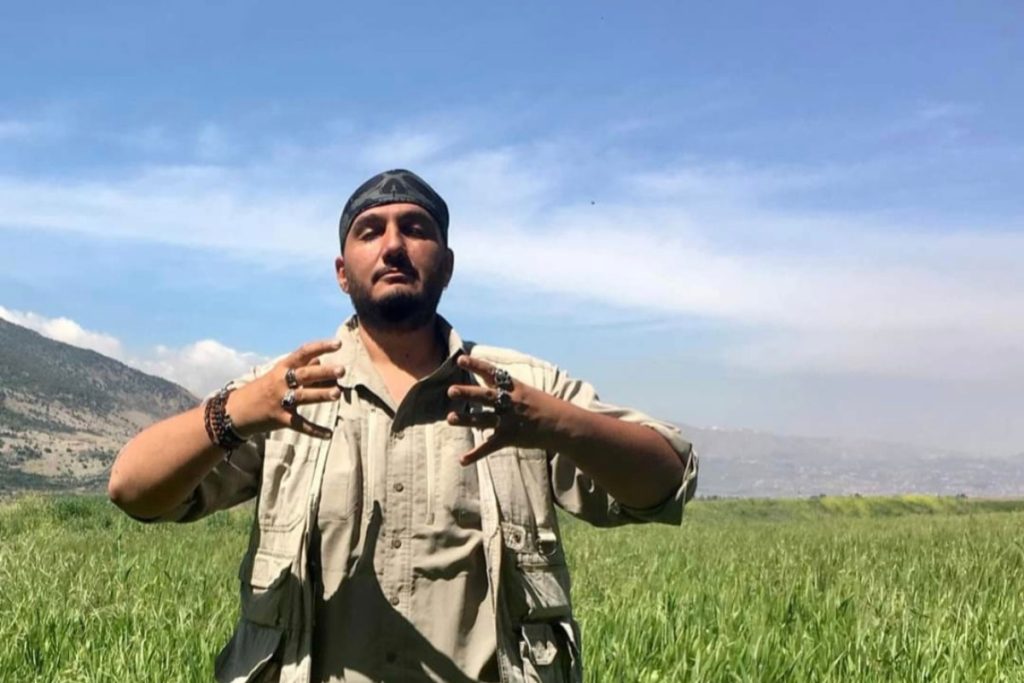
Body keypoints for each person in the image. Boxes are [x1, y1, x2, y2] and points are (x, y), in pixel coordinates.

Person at [108, 169, 699, 683]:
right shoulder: (286, 390)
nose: (393, 245)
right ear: (343, 272)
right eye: (371, 231)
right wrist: (232, 414)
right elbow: (134, 491)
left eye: (415, 229)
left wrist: (556, 425)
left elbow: (665, 481)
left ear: (446, 264)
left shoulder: (519, 389)